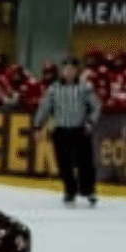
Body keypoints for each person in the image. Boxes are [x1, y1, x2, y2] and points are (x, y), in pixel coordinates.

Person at [32, 58, 101, 206]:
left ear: (77, 71)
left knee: (85, 162)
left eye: (72, 69)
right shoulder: (53, 89)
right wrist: (38, 126)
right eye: (66, 69)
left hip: (80, 130)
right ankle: (70, 191)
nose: (69, 72)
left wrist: (90, 122)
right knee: (64, 164)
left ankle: (88, 190)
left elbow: (96, 106)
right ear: (62, 72)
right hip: (61, 130)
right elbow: (44, 108)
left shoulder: (85, 88)